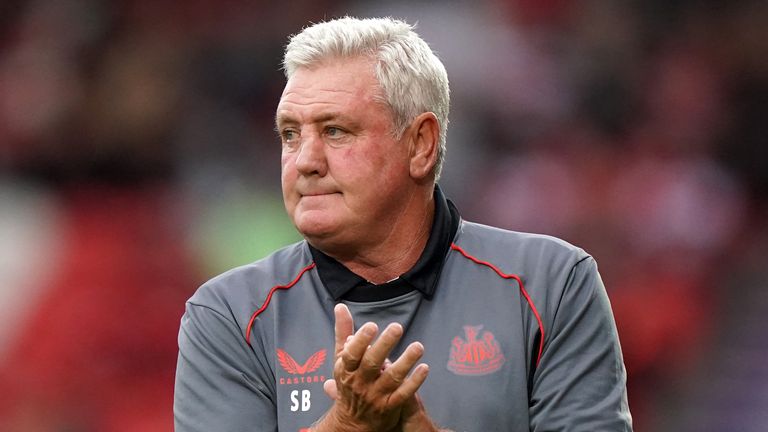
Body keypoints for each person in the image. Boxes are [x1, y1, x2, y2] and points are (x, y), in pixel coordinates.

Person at [174, 16, 633, 432]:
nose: (305, 162)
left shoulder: (552, 283)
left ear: (420, 145)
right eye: (290, 134)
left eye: (335, 131)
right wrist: (349, 425)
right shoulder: (228, 316)